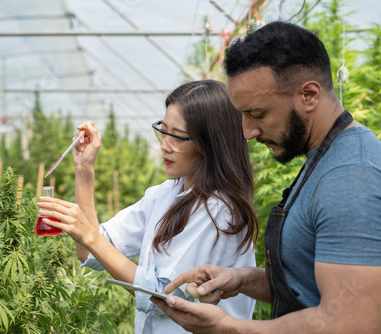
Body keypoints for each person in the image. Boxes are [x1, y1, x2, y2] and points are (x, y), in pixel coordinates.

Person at [151, 21, 381, 333]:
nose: (247, 132)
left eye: (258, 114)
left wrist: (228, 326)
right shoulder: (324, 158)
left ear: (308, 95)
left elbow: (348, 324)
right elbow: (311, 284)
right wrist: (240, 279)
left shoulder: (353, 179)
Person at [37, 80, 260, 333]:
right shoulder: (163, 195)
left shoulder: (220, 209)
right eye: (163, 131)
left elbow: (161, 296)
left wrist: (87, 235)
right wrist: (84, 170)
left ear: (210, 143)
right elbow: (91, 252)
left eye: (177, 136)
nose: (164, 144)